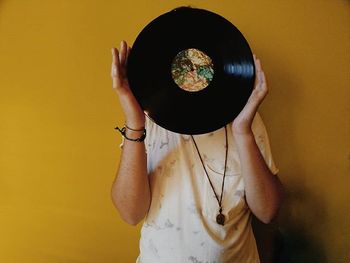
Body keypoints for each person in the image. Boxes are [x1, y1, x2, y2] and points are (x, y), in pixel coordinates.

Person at [110, 9, 284, 263]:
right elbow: (130, 213)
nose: (191, 72)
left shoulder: (245, 119)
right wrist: (134, 122)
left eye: (197, 67)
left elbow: (268, 211)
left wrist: (242, 132)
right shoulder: (145, 122)